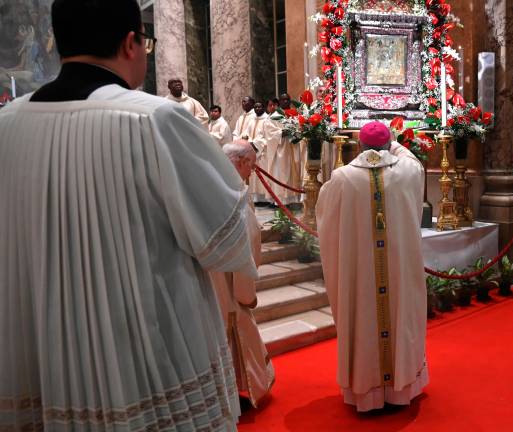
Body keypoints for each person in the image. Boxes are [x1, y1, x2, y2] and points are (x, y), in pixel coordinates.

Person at [0, 0, 261, 429]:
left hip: (44, 352)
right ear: (131, 43)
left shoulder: (8, 123)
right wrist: (229, 180)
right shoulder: (155, 119)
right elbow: (227, 242)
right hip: (142, 358)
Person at [316, 121, 428, 412]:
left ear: (360, 146)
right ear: (389, 144)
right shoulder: (407, 172)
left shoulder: (341, 178)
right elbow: (413, 160)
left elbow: (325, 220)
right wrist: (394, 143)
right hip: (398, 269)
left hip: (361, 273)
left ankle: (367, 394)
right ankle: (400, 389)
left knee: (364, 316)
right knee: (399, 312)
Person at [209, 143, 275, 409]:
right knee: (234, 328)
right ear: (240, 162)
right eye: (251, 164)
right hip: (228, 280)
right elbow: (245, 242)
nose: (252, 171)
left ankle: (216, 393)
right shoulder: (234, 193)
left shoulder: (208, 181)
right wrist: (246, 291)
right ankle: (233, 392)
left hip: (209, 276)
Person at [262, 102, 302, 206]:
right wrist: (284, 132)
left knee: (293, 172)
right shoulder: (274, 117)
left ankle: (294, 199)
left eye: (287, 99)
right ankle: (279, 200)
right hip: (279, 150)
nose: (285, 101)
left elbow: (300, 130)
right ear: (279, 103)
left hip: (292, 149)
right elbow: (270, 133)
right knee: (279, 174)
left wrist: (296, 131)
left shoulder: (294, 115)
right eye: (283, 100)